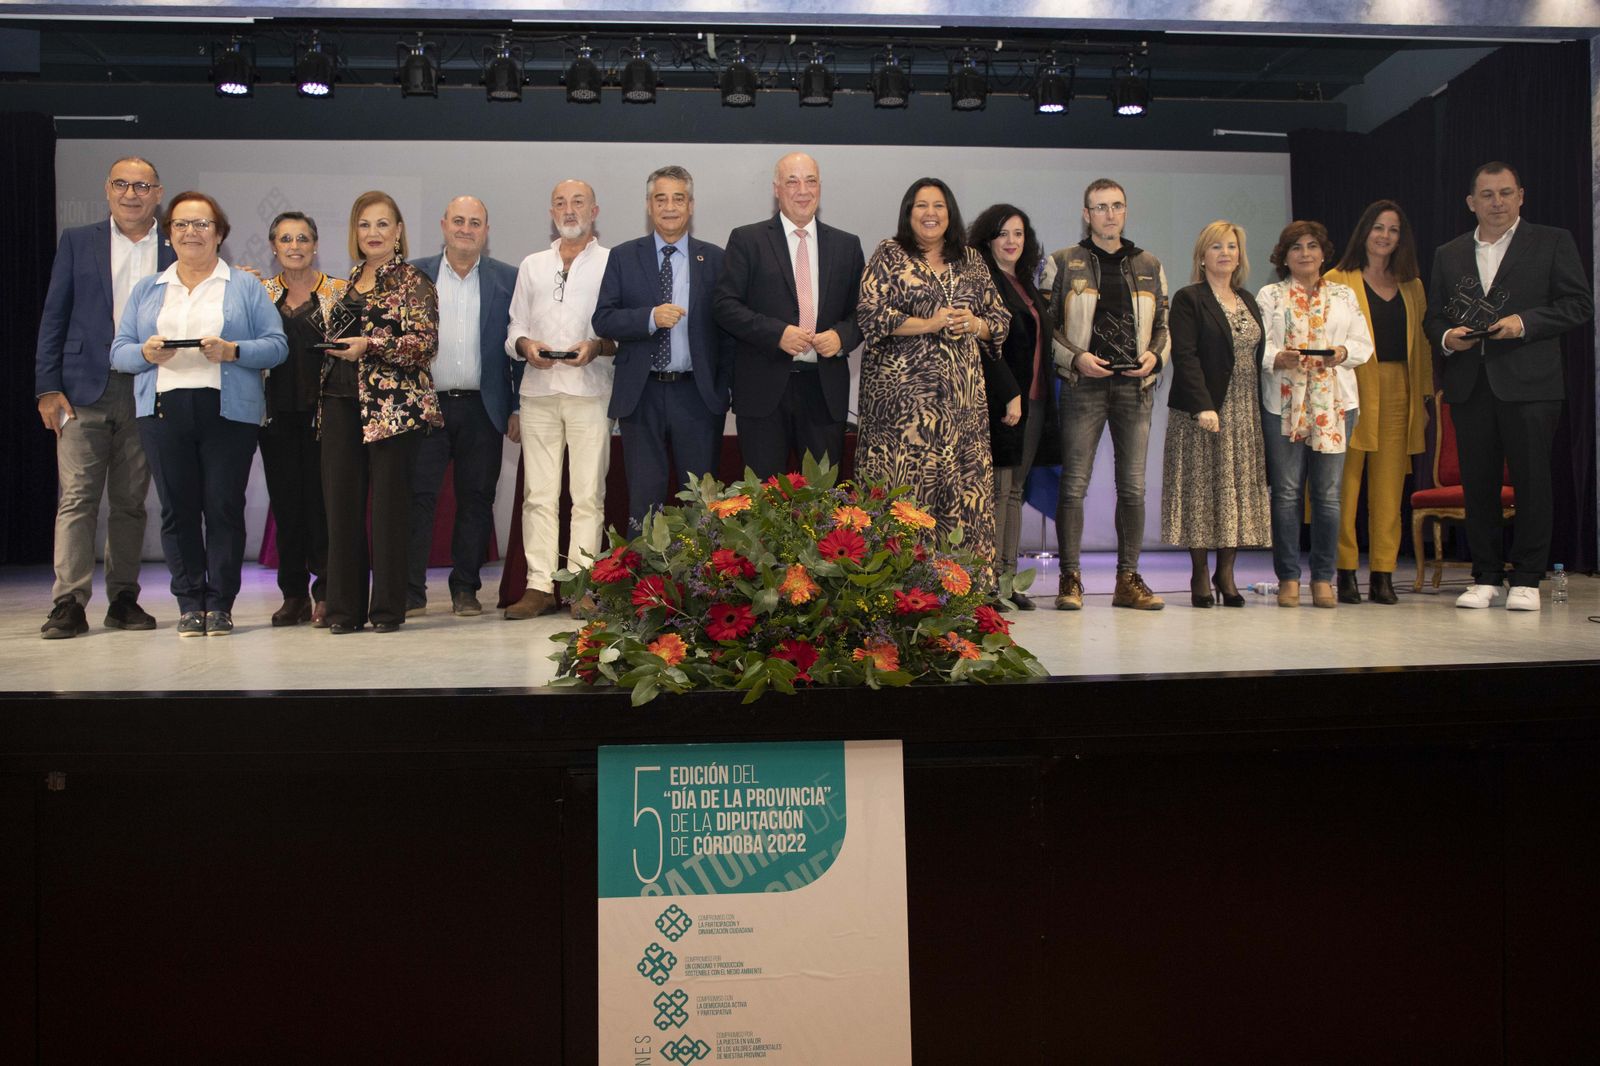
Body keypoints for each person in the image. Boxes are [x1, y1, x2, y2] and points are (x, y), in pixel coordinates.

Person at [109, 191, 287, 636]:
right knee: (177, 510)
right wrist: (145, 352)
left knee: (223, 508)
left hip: (228, 413)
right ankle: (190, 602)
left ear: (219, 233)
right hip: (164, 411)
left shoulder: (246, 286)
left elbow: (277, 345)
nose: (192, 232)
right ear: (169, 234)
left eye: (202, 224)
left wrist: (234, 350)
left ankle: (221, 603)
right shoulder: (148, 290)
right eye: (182, 225)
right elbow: (120, 352)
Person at [1426, 162, 1593, 610]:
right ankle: (1485, 576)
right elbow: (1435, 316)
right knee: (1478, 483)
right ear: (1471, 202)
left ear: (1521, 195)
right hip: (1470, 384)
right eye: (1487, 195)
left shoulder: (1553, 242)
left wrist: (1523, 323)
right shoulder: (1449, 252)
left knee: (1533, 481)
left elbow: (1579, 304)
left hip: (1531, 384)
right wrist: (1446, 337)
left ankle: (1527, 577)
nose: (1496, 203)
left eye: (1505, 193)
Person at [34, 156, 173, 639]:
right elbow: (55, 316)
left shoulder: (176, 245)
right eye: (122, 184)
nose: (131, 194)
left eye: (142, 186)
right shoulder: (78, 241)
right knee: (76, 500)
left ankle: (123, 598)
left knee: (131, 502)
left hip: (146, 387)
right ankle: (68, 603)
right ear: (107, 190)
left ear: (157, 193)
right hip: (82, 391)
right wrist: (47, 387)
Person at [856, 177, 1008, 566]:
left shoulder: (973, 259)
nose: (930, 213)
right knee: (903, 496)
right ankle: (896, 587)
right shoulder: (889, 254)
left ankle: (961, 590)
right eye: (921, 205)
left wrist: (973, 323)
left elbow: (999, 321)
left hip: (962, 411)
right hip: (900, 414)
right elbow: (870, 314)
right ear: (909, 213)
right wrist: (930, 322)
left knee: (962, 493)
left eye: (938, 205)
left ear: (950, 212)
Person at [1041, 178, 1170, 612]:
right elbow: (1047, 326)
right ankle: (1070, 579)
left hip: (1136, 387)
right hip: (1084, 387)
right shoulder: (1062, 261)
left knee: (1133, 488)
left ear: (1126, 211)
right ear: (1086, 214)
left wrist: (1154, 357)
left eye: (1116, 206)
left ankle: (1127, 580)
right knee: (1073, 486)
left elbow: (1165, 326)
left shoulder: (1150, 263)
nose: (1109, 214)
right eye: (1100, 207)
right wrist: (1076, 358)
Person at [322, 190, 441, 634]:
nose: (373, 233)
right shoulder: (345, 282)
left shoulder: (414, 281)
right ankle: (342, 611)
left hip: (393, 410)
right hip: (339, 405)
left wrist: (370, 345)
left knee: (389, 511)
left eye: (382, 224)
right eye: (364, 225)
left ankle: (387, 610)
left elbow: (425, 345)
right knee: (341, 509)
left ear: (399, 231)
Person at [592, 165, 733, 531]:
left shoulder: (716, 259)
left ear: (691, 205)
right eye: (661, 199)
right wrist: (650, 318)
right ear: (649, 206)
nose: (669, 207)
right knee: (644, 499)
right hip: (642, 395)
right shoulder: (623, 256)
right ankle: (644, 586)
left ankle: (700, 585)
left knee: (701, 501)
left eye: (678, 198)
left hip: (697, 396)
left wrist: (726, 387)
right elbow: (603, 320)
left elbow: (729, 330)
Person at [713, 151, 865, 478]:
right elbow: (725, 306)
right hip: (763, 391)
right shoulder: (746, 240)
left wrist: (841, 337)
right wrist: (776, 333)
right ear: (776, 189)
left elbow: (863, 312)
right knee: (764, 504)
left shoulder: (846, 245)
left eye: (810, 181)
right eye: (792, 181)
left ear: (820, 188)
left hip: (824, 392)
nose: (802, 190)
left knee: (823, 502)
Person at [503, 179, 615, 620]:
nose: (570, 210)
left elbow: (619, 330)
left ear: (595, 209)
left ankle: (583, 587)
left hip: (590, 391)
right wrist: (526, 345)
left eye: (578, 203)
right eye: (561, 203)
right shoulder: (531, 264)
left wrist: (596, 346)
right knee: (538, 495)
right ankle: (538, 587)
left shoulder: (612, 263)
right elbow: (513, 326)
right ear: (551, 211)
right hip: (539, 392)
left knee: (588, 495)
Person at [408, 196, 519, 618]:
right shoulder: (414, 275)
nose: (466, 229)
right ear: (443, 225)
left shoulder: (507, 279)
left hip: (482, 407)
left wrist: (517, 407)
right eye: (459, 221)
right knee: (418, 498)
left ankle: (465, 589)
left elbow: (517, 350)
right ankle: (410, 591)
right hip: (425, 406)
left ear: (486, 230)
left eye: (475, 223)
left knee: (476, 499)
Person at [1257, 220, 1373, 609]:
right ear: (1284, 257)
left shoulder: (1344, 294)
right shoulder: (1269, 295)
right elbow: (1261, 349)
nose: (1305, 253)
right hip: (1283, 403)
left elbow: (1362, 345)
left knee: (1327, 496)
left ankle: (1323, 578)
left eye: (1311, 246)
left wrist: (1342, 354)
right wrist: (1280, 358)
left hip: (1336, 404)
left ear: (1324, 253)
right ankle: (1288, 577)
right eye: (1296, 248)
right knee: (1287, 493)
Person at [1326, 200, 1434, 605]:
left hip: (1398, 391)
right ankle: (1346, 571)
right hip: (1349, 391)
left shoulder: (1413, 285)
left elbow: (1422, 346)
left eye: (1393, 229)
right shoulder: (1337, 279)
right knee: (1343, 488)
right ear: (1364, 232)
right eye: (1378, 228)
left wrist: (1423, 399)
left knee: (1390, 490)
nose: (1385, 236)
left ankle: (1384, 573)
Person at [1161, 220, 1270, 607]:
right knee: (1202, 495)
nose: (1226, 253)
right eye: (1217, 247)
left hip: (1244, 411)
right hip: (1203, 411)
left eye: (1232, 247)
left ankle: (1227, 575)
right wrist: (1204, 405)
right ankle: (1199, 576)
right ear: (1202, 257)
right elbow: (1185, 357)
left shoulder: (1248, 300)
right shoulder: (1190, 298)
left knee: (1234, 494)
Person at [258, 211, 344, 627]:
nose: (295, 246)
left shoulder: (339, 293)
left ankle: (327, 591)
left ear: (315, 245)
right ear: (273, 246)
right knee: (287, 507)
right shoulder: (257, 293)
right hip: (274, 418)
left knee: (324, 506)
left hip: (327, 417)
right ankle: (292, 595)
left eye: (303, 238)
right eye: (286, 238)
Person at [969, 203, 1051, 608]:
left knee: (1015, 490)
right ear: (988, 240)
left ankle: (1009, 579)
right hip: (1002, 400)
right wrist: (1007, 394)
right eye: (1003, 233)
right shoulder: (985, 280)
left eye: (1018, 233)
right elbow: (987, 347)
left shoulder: (1025, 283)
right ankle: (988, 582)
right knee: (999, 491)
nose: (1011, 241)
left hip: (1034, 400)